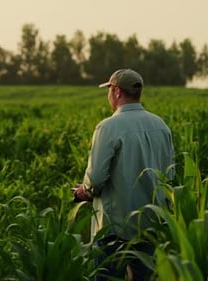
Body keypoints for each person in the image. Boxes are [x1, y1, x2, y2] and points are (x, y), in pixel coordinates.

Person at [73, 69, 174, 281]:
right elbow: (169, 175)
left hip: (113, 227)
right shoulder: (161, 125)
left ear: (117, 92)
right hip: (151, 224)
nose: (108, 94)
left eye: (109, 89)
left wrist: (84, 190)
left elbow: (96, 179)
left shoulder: (108, 127)